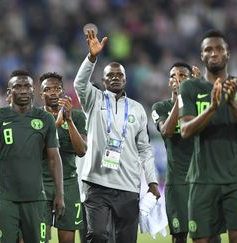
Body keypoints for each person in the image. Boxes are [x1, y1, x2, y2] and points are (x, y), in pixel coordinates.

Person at [73, 29, 160, 243]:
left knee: (125, 239)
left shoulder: (138, 109)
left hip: (128, 186)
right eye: (110, 75)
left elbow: (145, 149)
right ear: (102, 81)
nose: (115, 78)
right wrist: (92, 58)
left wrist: (152, 181)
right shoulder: (94, 99)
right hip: (96, 183)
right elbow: (79, 84)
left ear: (126, 79)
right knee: (97, 235)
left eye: (119, 74)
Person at [179, 30, 237, 243]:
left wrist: (232, 102)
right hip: (202, 180)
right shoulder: (190, 87)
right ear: (202, 56)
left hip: (236, 178)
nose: (214, 53)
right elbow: (185, 130)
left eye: (219, 49)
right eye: (208, 50)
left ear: (228, 54)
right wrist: (212, 107)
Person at [0, 70, 65, 243]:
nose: (23, 90)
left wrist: (60, 193)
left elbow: (54, 158)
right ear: (9, 92)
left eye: (27, 86)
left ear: (33, 90)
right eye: (17, 86)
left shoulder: (45, 119)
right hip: (6, 200)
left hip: (36, 199)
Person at [151, 62, 197, 243]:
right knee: (179, 237)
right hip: (176, 181)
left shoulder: (199, 106)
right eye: (172, 75)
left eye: (183, 75)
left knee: (209, 235)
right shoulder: (160, 107)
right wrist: (180, 99)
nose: (176, 79)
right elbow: (166, 131)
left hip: (201, 179)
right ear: (169, 82)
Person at [39, 72, 87, 243]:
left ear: (63, 91)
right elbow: (34, 150)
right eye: (48, 89)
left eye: (57, 88)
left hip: (68, 183)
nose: (53, 92)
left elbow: (81, 151)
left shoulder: (78, 116)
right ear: (41, 94)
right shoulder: (33, 117)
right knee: (39, 238)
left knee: (67, 239)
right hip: (41, 183)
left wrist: (69, 120)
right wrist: (56, 125)